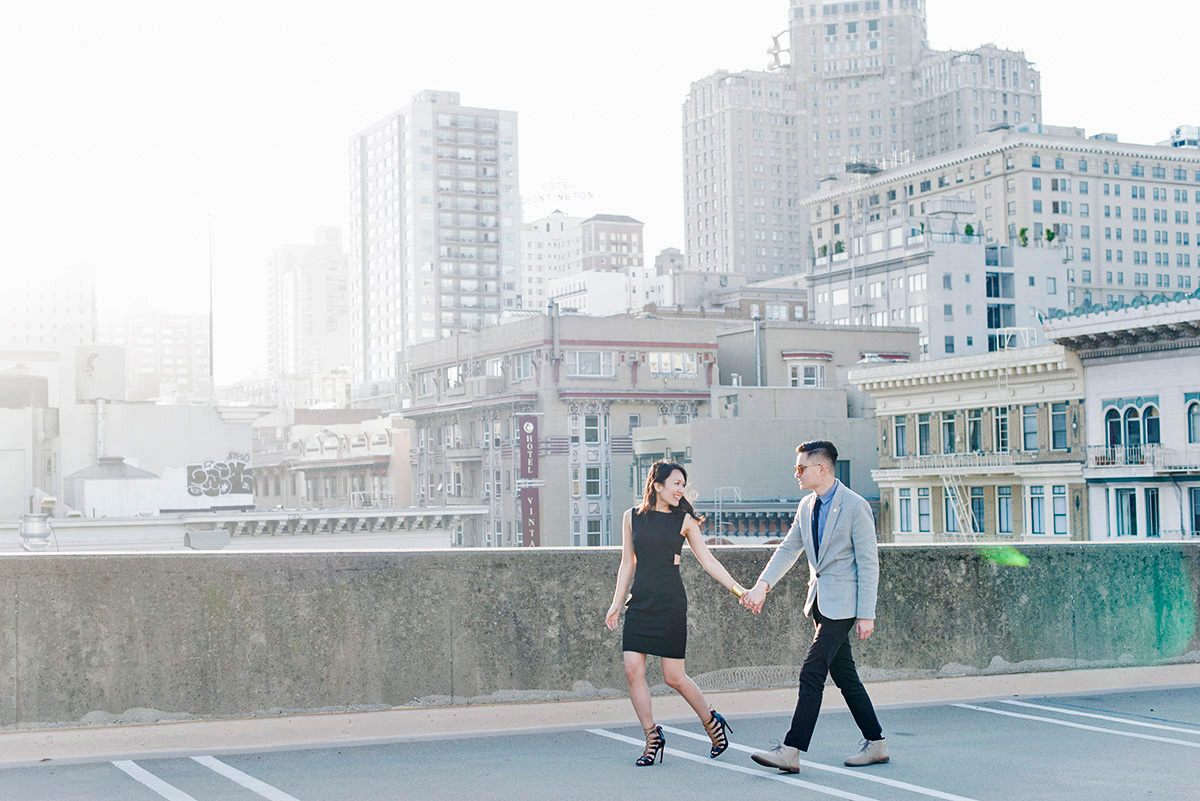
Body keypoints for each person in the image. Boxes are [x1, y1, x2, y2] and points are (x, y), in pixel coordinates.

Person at [740, 440, 889, 772]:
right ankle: (876, 743)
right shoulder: (806, 506)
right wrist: (762, 586)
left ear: (822, 468)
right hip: (820, 603)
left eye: (800, 468)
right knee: (845, 676)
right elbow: (788, 550)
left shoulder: (855, 505)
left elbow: (868, 564)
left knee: (811, 672)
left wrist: (867, 613)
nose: (796, 474)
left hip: (845, 606)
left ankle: (790, 750)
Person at [605, 460, 747, 766]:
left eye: (684, 485)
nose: (681, 490)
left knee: (674, 677)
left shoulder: (684, 520)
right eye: (676, 484)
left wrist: (739, 591)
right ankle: (651, 736)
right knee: (633, 669)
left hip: (670, 603)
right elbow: (627, 563)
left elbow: (709, 562)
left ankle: (712, 722)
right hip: (640, 601)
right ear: (657, 486)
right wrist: (616, 603)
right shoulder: (631, 517)